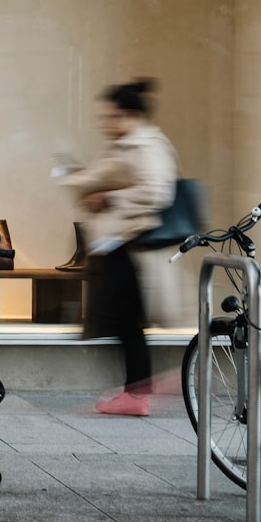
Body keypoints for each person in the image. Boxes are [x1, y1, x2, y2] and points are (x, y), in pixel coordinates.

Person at [56, 78, 177, 417]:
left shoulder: (146, 145)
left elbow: (157, 193)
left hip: (130, 245)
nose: (105, 124)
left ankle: (138, 392)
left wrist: (109, 197)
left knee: (126, 322)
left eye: (110, 116)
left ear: (128, 114)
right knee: (123, 322)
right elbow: (103, 175)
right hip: (116, 244)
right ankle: (137, 389)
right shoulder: (128, 143)